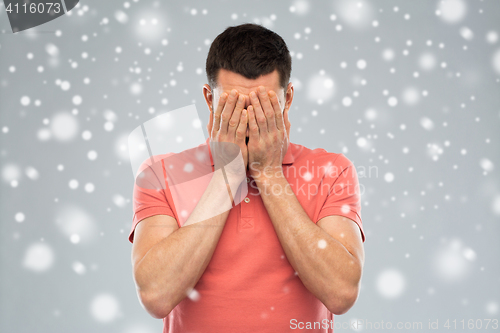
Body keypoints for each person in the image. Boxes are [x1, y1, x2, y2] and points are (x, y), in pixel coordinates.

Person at [128, 23, 365, 332]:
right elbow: (156, 296)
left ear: (288, 100)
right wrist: (227, 175)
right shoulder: (160, 174)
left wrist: (269, 175)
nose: (250, 119)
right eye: (235, 106)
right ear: (210, 100)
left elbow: (341, 293)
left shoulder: (333, 170)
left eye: (265, 106)